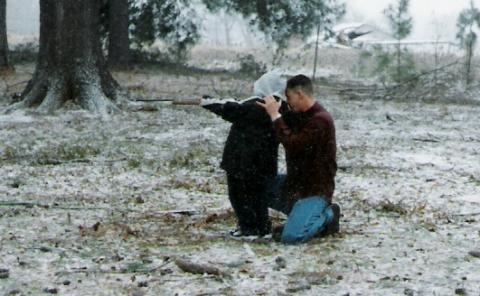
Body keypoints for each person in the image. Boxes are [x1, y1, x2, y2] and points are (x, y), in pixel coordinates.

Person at [199, 71, 290, 238]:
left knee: (239, 197)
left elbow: (229, 109)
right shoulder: (281, 108)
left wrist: (208, 102)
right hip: (265, 163)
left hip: (239, 162)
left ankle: (248, 228)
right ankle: (261, 226)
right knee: (258, 197)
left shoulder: (255, 105)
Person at [257, 74, 340, 244]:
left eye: (289, 97)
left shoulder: (320, 120)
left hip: (314, 190)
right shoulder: (302, 115)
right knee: (255, 186)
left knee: (292, 238)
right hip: (295, 184)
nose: (288, 102)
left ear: (300, 94)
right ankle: (300, 216)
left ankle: (328, 215)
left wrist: (275, 115)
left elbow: (293, 144)